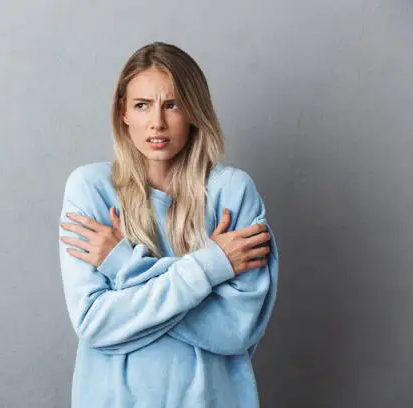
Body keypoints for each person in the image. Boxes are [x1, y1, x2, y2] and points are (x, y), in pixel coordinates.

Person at [57, 41, 279, 408]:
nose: (157, 122)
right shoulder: (91, 189)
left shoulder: (232, 192)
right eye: (142, 105)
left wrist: (124, 267)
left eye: (172, 105)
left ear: (193, 110)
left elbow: (234, 330)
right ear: (123, 112)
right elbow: (95, 323)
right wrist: (212, 266)